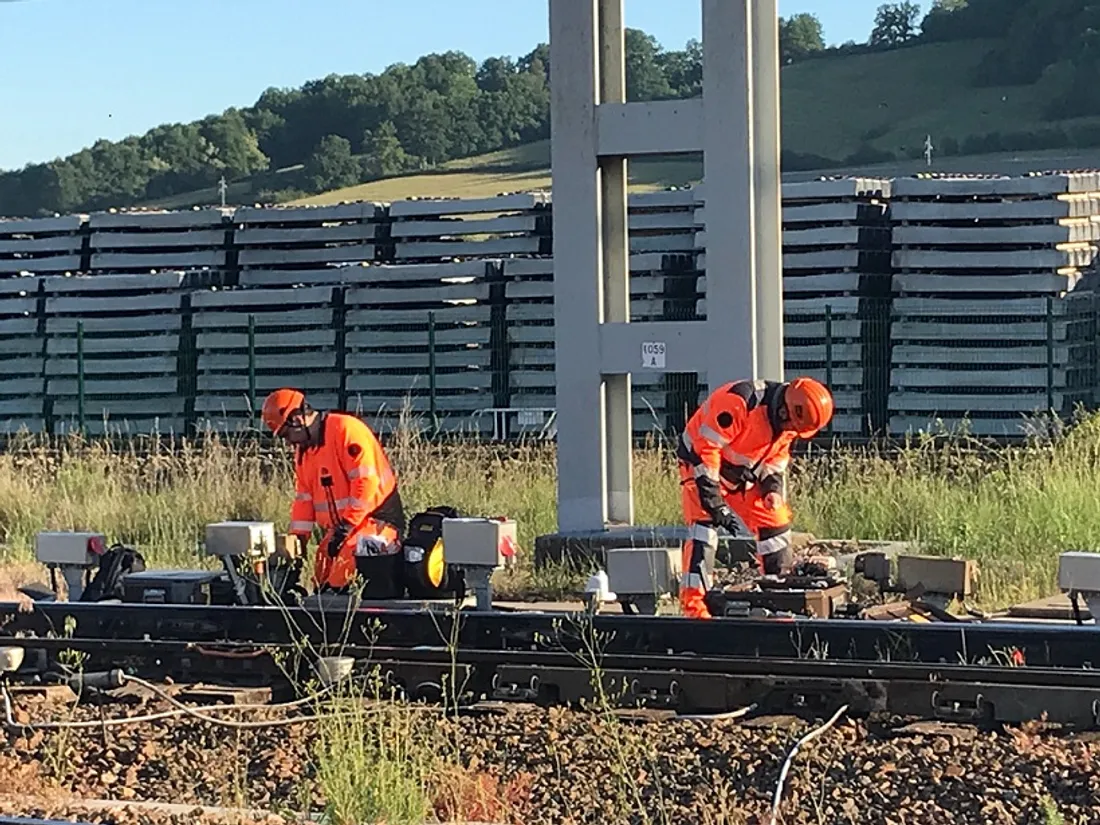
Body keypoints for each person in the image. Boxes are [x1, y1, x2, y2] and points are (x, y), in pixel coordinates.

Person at [675, 377, 834, 619]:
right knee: (703, 532)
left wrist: (772, 489)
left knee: (776, 522)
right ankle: (695, 611)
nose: (792, 431)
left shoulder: (789, 423)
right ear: (785, 409)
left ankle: (777, 597)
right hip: (700, 468)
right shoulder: (741, 402)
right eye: (792, 425)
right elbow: (705, 450)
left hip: (741, 476)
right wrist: (715, 502)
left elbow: (776, 459)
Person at [261, 388, 407, 594]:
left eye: (286, 434)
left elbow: (366, 483)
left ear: (297, 418)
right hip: (342, 530)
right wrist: (297, 544)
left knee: (340, 579)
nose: (288, 442)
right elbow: (304, 501)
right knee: (321, 578)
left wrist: (346, 528)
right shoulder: (304, 453)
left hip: (376, 523)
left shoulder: (345, 430)